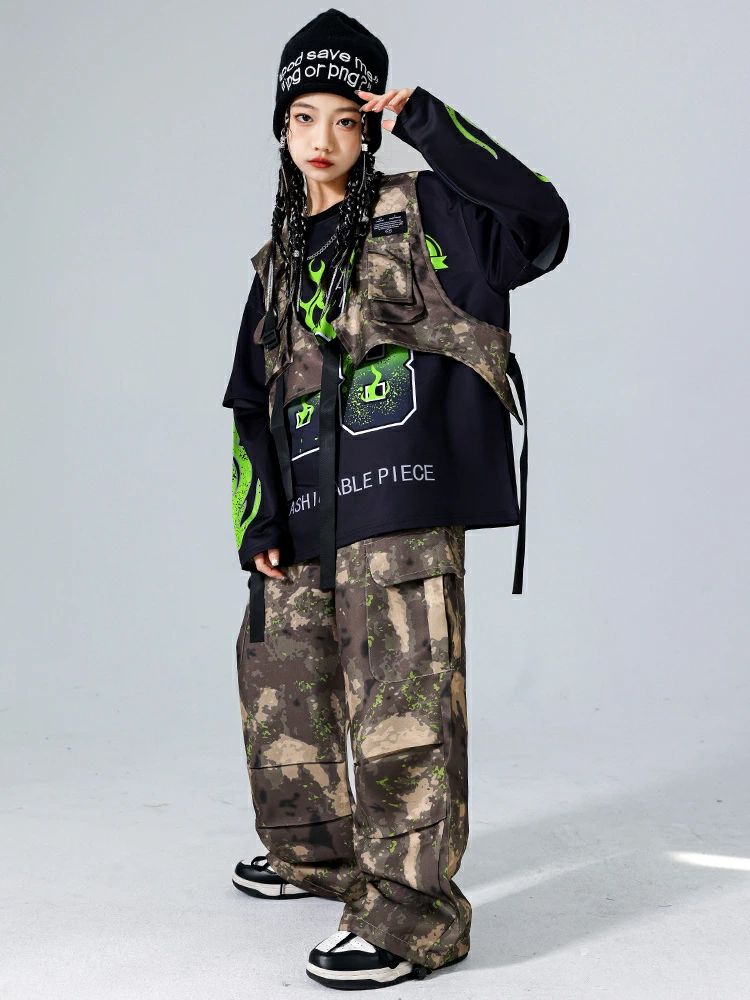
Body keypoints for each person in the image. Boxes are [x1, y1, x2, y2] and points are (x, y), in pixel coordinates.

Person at [222, 8, 569, 990]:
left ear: (369, 127)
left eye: (346, 118)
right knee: (280, 684)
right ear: (282, 129)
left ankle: (414, 917)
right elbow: (248, 401)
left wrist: (429, 122)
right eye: (303, 117)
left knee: (402, 711)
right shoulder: (277, 261)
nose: (323, 139)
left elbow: (540, 221)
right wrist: (259, 518)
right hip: (306, 519)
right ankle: (319, 856)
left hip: (401, 508)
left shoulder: (427, 212)